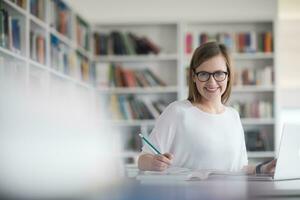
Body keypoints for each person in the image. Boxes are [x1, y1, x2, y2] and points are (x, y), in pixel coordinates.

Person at [137, 41, 276, 174]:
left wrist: (263, 169)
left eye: (219, 73)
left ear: (228, 76)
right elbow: (143, 160)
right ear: (193, 76)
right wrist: (153, 163)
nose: (212, 82)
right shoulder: (177, 112)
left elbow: (238, 168)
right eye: (204, 74)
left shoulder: (233, 115)